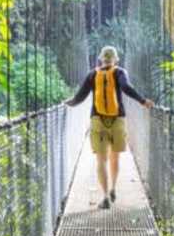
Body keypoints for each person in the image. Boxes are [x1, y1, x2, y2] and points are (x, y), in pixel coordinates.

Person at [66, 46, 154, 209]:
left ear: (100, 59)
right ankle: (113, 188)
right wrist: (143, 101)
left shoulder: (92, 74)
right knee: (115, 157)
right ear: (116, 59)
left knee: (101, 159)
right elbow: (126, 88)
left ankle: (105, 196)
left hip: (98, 119)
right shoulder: (120, 72)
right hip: (117, 119)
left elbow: (80, 97)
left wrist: (68, 104)